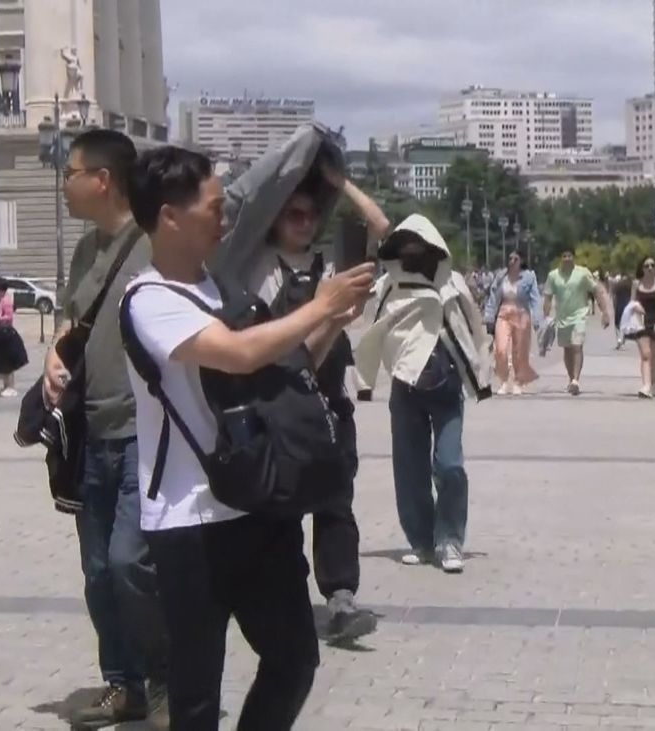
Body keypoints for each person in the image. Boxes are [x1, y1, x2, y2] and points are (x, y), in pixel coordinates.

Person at [121, 145, 373, 729]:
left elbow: (285, 369)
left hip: (257, 505)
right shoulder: (149, 299)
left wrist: (334, 317)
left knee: (294, 659)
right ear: (169, 216)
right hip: (189, 523)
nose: (225, 219)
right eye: (213, 207)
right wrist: (317, 308)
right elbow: (236, 355)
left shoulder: (223, 289)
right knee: (197, 692)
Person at [41, 129, 169, 728]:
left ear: (102, 180)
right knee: (96, 573)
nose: (62, 183)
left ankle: (167, 677)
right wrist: (53, 358)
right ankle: (123, 685)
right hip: (92, 436)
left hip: (146, 433)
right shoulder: (85, 251)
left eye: (69, 172)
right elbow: (74, 325)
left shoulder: (154, 245)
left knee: (128, 563)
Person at [242, 161, 388, 645]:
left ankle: (342, 599)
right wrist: (329, 319)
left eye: (310, 215)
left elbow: (380, 226)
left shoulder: (332, 265)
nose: (304, 222)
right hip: (279, 403)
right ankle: (275, 602)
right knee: (278, 512)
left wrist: (338, 184)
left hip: (328, 403)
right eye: (293, 214)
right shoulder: (257, 267)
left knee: (335, 503)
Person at [355, 214, 494, 574]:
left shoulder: (452, 285)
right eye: (406, 247)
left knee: (450, 466)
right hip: (405, 387)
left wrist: (483, 374)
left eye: (420, 246)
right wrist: (364, 381)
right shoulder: (387, 286)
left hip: (446, 385)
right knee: (409, 469)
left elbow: (474, 330)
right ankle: (421, 539)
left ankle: (449, 539)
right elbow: (371, 333)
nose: (412, 254)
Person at [542, 248, 611, 395]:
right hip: (562, 318)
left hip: (579, 316)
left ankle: (576, 380)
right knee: (567, 349)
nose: (567, 258)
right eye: (564, 256)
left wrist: (605, 312)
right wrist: (545, 316)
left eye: (569, 256)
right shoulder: (553, 276)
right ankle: (571, 378)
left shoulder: (582, 273)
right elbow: (548, 296)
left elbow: (596, 290)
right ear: (561, 258)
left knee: (577, 346)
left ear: (573, 258)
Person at [482, 248, 540, 395]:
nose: (512, 262)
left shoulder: (529, 277)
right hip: (503, 313)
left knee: (520, 351)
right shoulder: (501, 276)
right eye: (510, 259)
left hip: (521, 314)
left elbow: (535, 299)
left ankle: (518, 381)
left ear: (521, 261)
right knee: (500, 349)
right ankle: (503, 380)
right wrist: (489, 316)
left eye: (515, 259)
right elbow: (493, 298)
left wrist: (538, 319)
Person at [630, 256, 655, 398]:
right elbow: (632, 303)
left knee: (654, 355)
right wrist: (635, 313)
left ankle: (653, 383)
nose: (650, 268)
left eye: (652, 265)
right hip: (640, 321)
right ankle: (645, 385)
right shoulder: (636, 284)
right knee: (645, 354)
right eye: (646, 266)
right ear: (642, 268)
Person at [610, 270, 631, 350]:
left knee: (617, 324)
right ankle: (623, 342)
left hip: (619, 305)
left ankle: (619, 340)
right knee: (625, 325)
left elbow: (614, 297)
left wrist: (614, 306)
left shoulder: (617, 285)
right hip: (627, 306)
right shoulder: (629, 285)